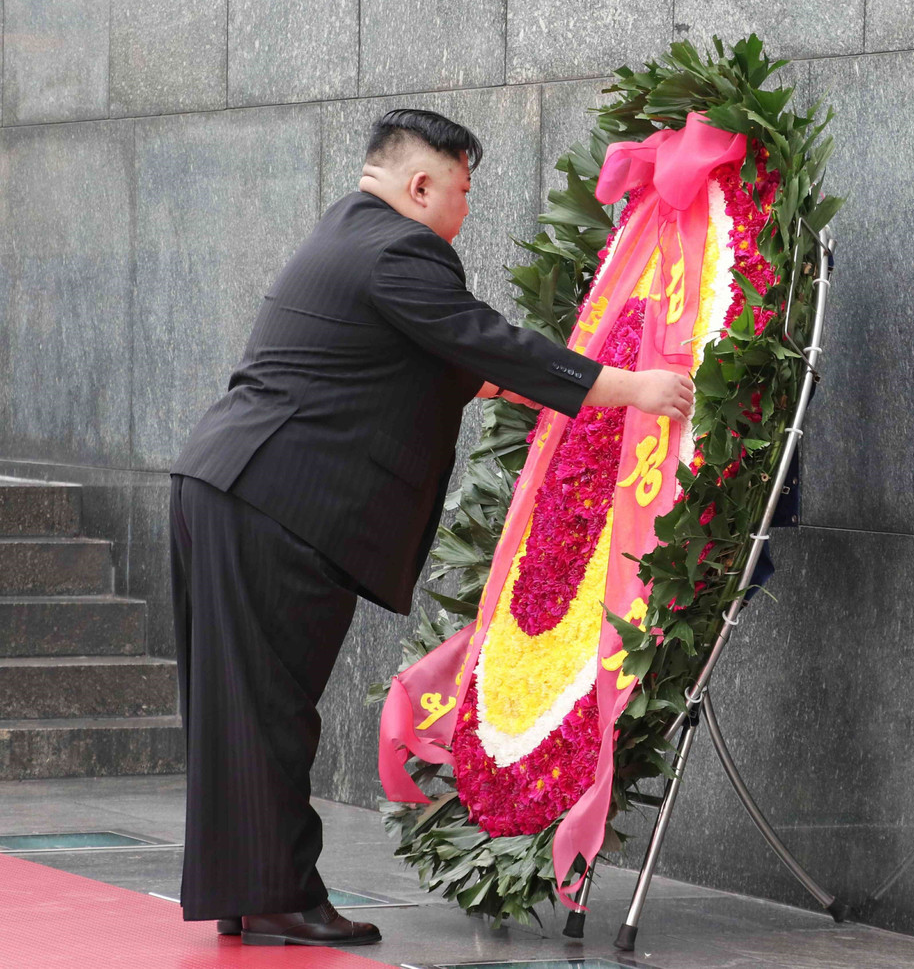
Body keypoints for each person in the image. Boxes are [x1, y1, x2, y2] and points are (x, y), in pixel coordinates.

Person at [168, 108, 694, 948]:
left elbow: (436, 364)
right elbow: (485, 343)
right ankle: (273, 895)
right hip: (274, 498)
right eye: (463, 189)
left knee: (240, 706)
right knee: (267, 706)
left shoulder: (349, 233)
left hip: (231, 485)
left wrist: (540, 390)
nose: (464, 209)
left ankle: (251, 890)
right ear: (422, 185)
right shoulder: (402, 249)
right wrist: (629, 388)